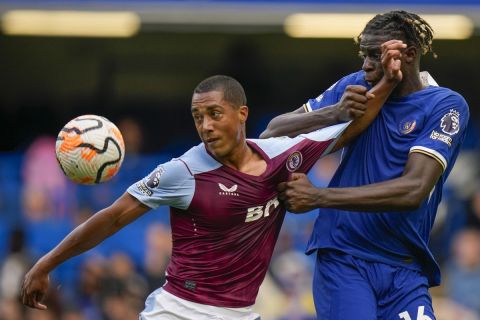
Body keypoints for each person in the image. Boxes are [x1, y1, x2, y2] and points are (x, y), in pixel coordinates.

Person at [21, 63, 402, 319]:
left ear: (242, 114)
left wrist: (390, 80)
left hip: (241, 314)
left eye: (214, 114)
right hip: (178, 311)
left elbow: (352, 126)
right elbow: (114, 216)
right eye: (197, 117)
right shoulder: (182, 171)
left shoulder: (283, 155)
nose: (204, 125)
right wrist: (45, 264)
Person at [262, 10, 470, 320]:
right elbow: (272, 134)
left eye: (375, 55)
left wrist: (319, 197)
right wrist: (333, 113)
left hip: (405, 269)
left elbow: (412, 190)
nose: (365, 64)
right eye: (364, 54)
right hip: (345, 258)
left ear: (409, 55)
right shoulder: (357, 86)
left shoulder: (444, 106)